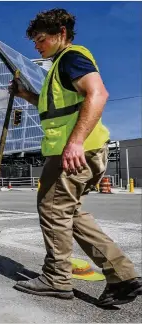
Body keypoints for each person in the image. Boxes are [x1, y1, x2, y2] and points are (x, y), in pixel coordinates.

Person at [9, 8, 141, 306]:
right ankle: (122, 277)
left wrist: (75, 143)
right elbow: (59, 107)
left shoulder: (71, 57)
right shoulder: (58, 68)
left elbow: (98, 94)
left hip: (73, 151)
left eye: (41, 39)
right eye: (35, 41)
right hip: (83, 150)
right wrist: (25, 95)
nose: (37, 46)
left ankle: (56, 279)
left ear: (61, 35)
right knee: (70, 213)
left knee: (53, 210)